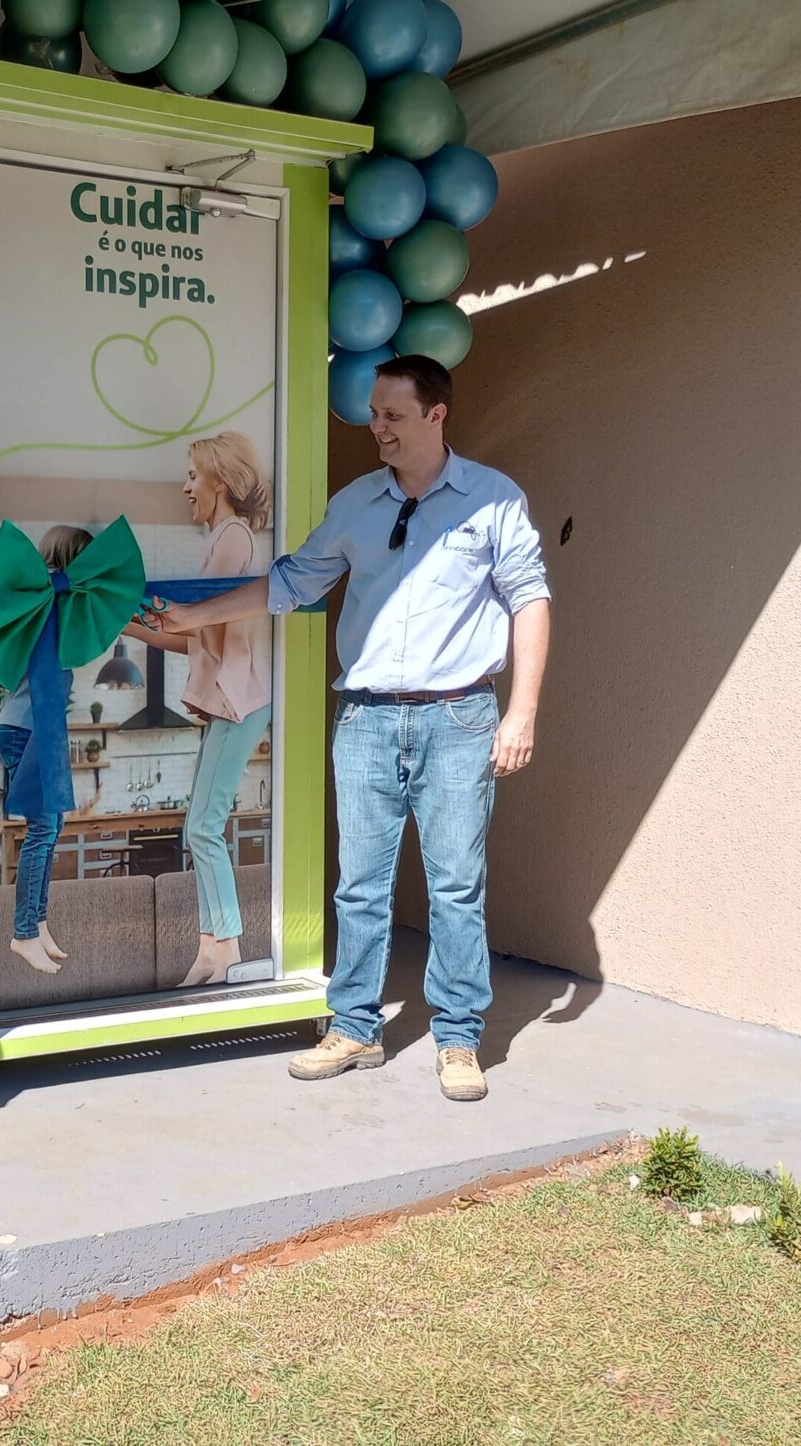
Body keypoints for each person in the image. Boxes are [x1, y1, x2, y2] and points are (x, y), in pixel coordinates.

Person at [147, 355, 550, 1102]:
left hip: (460, 716)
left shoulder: (493, 500)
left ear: (437, 416)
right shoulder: (357, 502)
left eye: (394, 415)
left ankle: (458, 1037)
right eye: (375, 414)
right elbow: (292, 582)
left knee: (456, 887)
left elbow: (530, 600)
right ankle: (356, 1027)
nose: (378, 427)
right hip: (365, 718)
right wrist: (192, 617)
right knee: (361, 886)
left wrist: (521, 711)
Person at [173, 433, 274, 988]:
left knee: (204, 827)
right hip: (233, 702)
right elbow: (196, 627)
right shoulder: (226, 538)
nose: (186, 486)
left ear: (220, 479)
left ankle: (225, 945)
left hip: (240, 700)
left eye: (193, 475)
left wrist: (163, 613)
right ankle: (213, 944)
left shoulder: (232, 535)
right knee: (200, 827)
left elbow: (202, 616)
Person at [0, 525, 94, 977]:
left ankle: (37, 922)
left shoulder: (48, 600)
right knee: (42, 831)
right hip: (26, 727)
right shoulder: (49, 599)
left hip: (35, 726)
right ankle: (23, 934)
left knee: (52, 828)